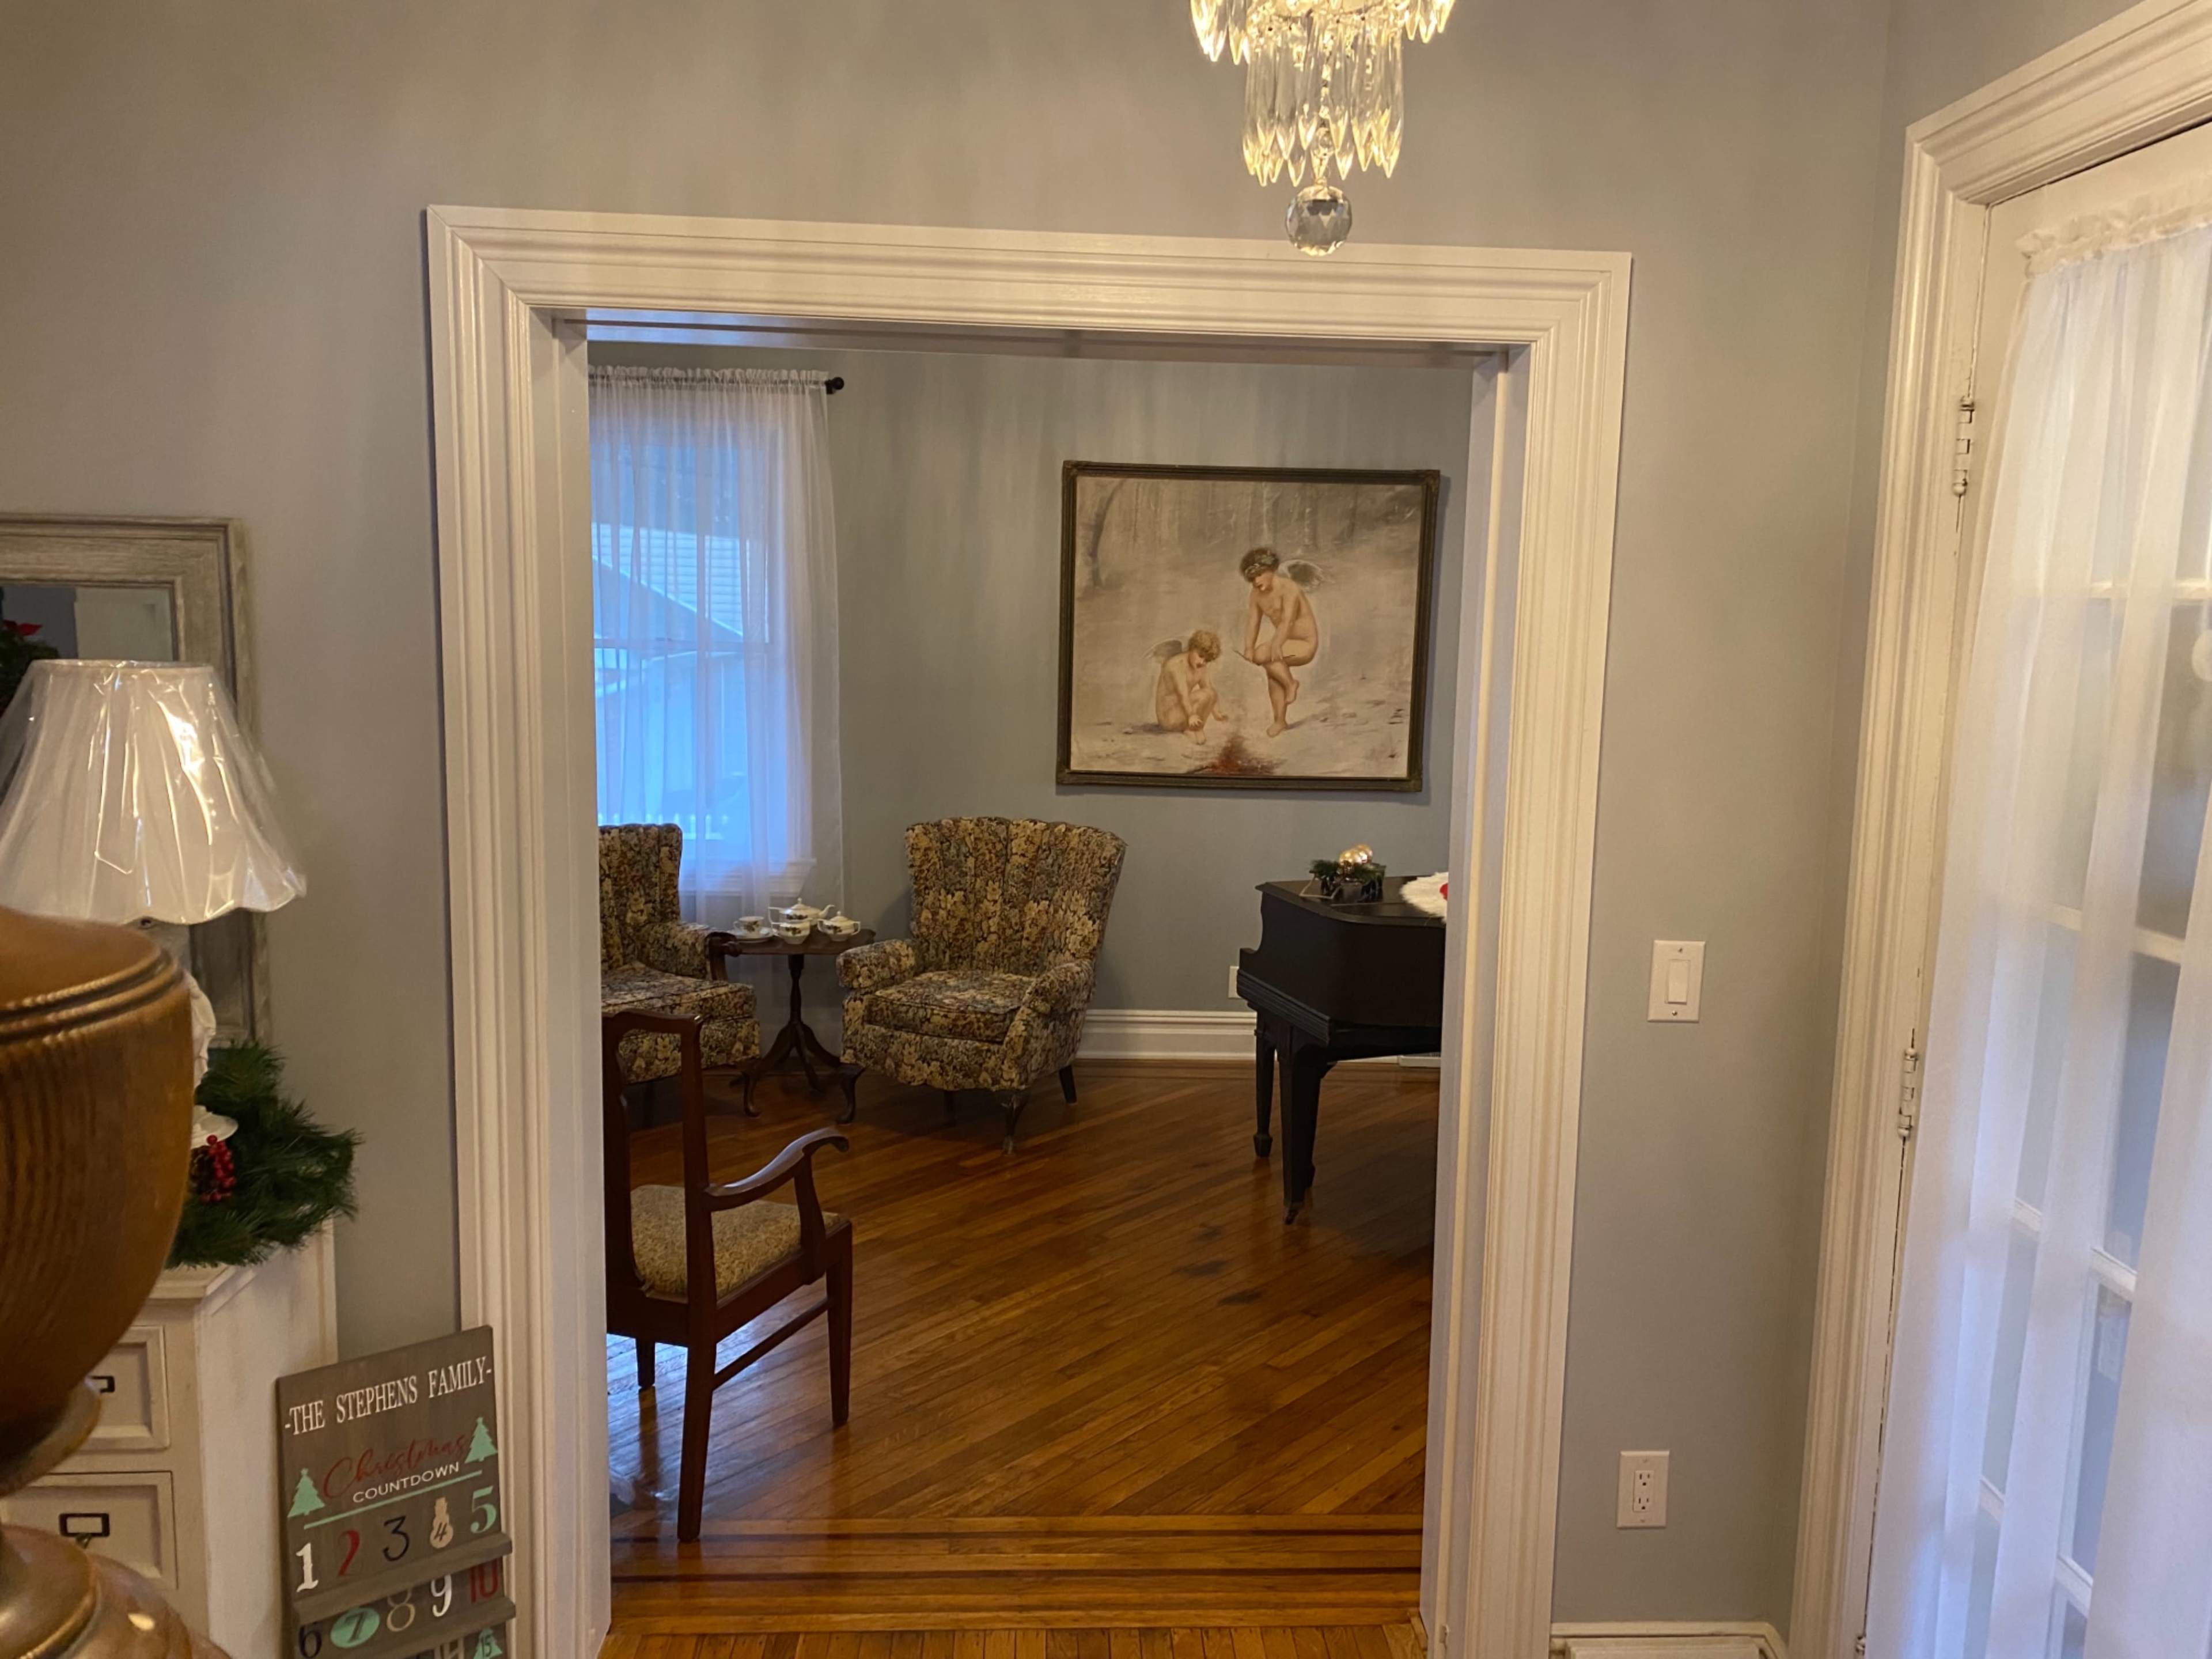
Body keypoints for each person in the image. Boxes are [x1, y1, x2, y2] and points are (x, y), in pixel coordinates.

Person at [1238, 546, 1319, 736]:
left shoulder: (1289, 588)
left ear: (1271, 571)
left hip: (1305, 644)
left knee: (1263, 655)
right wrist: (1248, 647)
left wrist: (1276, 644)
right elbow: (1253, 622)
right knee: (1271, 668)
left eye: (1259, 575)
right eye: (1252, 578)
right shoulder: (1256, 595)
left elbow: (1288, 620)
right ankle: (1280, 721)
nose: (1256, 581)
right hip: (1284, 642)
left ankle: (1291, 684)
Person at [1154, 628, 1228, 738]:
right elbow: (1182, 694)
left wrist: (1217, 713)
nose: (1202, 662)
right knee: (1205, 695)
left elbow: (1209, 688)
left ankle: (1195, 728)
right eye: (1201, 656)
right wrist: (1191, 715)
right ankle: (1191, 728)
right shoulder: (1177, 665)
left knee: (1211, 693)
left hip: (1180, 711)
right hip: (1168, 717)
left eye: (1206, 660)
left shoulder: (1200, 666)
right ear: (1192, 648)